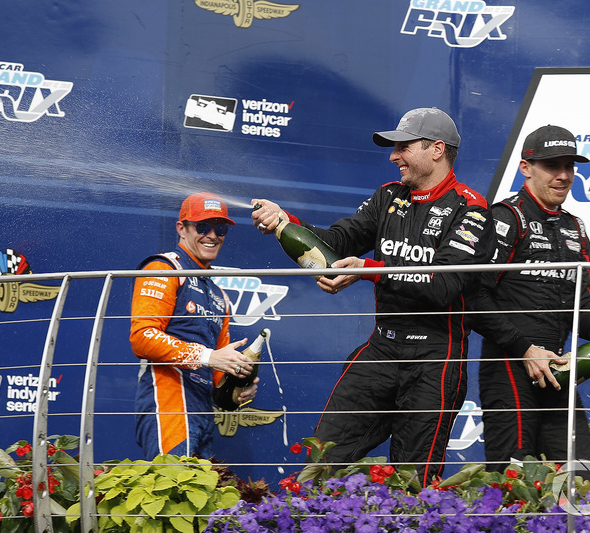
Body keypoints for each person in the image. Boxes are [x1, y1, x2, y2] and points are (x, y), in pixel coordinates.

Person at [252, 107, 494, 486]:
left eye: (403, 146)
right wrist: (286, 222)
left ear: (436, 149)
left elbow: (443, 284)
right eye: (393, 147)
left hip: (435, 358)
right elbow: (336, 241)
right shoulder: (387, 197)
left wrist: (370, 270)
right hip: (382, 349)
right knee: (323, 460)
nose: (394, 156)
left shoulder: (471, 208)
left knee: (414, 486)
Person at [473, 125, 590, 474]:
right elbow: (474, 298)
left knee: (580, 478)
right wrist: (525, 349)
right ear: (526, 168)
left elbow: (582, 306)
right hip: (509, 368)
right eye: (552, 166)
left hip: (558, 372)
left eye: (569, 166)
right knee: (513, 484)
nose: (563, 175)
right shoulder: (507, 218)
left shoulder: (575, 228)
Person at [131, 192, 259, 460]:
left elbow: (217, 377)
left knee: (199, 496)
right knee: (172, 491)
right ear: (181, 229)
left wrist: (236, 388)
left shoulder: (219, 295)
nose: (212, 235)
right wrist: (210, 356)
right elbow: (142, 337)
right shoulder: (163, 268)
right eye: (202, 227)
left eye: (220, 228)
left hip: (202, 410)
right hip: (168, 401)